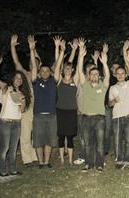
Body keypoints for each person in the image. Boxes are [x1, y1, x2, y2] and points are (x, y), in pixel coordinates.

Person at [0, 56, 31, 177]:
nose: (19, 79)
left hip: (17, 123)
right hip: (5, 123)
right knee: (5, 148)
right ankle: (3, 171)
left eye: (21, 78)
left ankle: (13, 170)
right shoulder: (5, 88)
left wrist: (23, 100)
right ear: (13, 78)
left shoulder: (22, 93)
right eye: (17, 77)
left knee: (13, 149)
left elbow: (22, 110)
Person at [77, 40, 111, 172]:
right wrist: (80, 56)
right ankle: (89, 164)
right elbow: (80, 72)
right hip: (85, 118)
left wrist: (104, 63)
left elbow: (107, 76)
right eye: (92, 74)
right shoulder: (85, 86)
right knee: (87, 144)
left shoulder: (103, 86)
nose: (95, 75)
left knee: (100, 144)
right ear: (89, 76)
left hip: (99, 119)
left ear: (98, 76)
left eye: (97, 74)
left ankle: (100, 164)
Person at [29, 35, 58, 169]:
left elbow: (58, 65)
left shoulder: (53, 81)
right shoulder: (36, 82)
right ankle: (41, 162)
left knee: (50, 139)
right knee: (38, 140)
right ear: (39, 72)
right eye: (42, 71)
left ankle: (47, 162)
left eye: (47, 71)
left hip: (52, 115)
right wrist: (32, 49)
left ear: (50, 72)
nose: (45, 72)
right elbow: (34, 67)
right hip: (38, 116)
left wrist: (59, 49)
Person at [9, 34, 38, 166]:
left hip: (40, 107)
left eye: (36, 63)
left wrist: (33, 49)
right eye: (31, 63)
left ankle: (35, 155)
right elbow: (16, 62)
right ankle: (27, 158)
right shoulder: (26, 74)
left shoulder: (44, 74)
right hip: (28, 105)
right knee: (26, 132)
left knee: (36, 133)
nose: (33, 64)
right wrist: (12, 47)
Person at [109, 47, 129, 169]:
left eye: (122, 73)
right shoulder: (112, 88)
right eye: (118, 74)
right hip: (117, 117)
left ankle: (128, 160)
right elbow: (109, 104)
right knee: (117, 140)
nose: (120, 75)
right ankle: (119, 162)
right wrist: (114, 100)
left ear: (125, 75)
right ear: (115, 75)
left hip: (128, 116)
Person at [52, 37, 78, 166]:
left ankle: (70, 160)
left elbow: (76, 64)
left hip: (72, 111)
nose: (67, 70)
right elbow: (57, 66)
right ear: (63, 70)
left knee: (70, 136)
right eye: (65, 68)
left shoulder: (76, 81)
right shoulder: (58, 81)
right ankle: (62, 160)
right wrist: (61, 50)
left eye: (70, 68)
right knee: (61, 136)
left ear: (72, 70)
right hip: (61, 111)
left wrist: (76, 50)